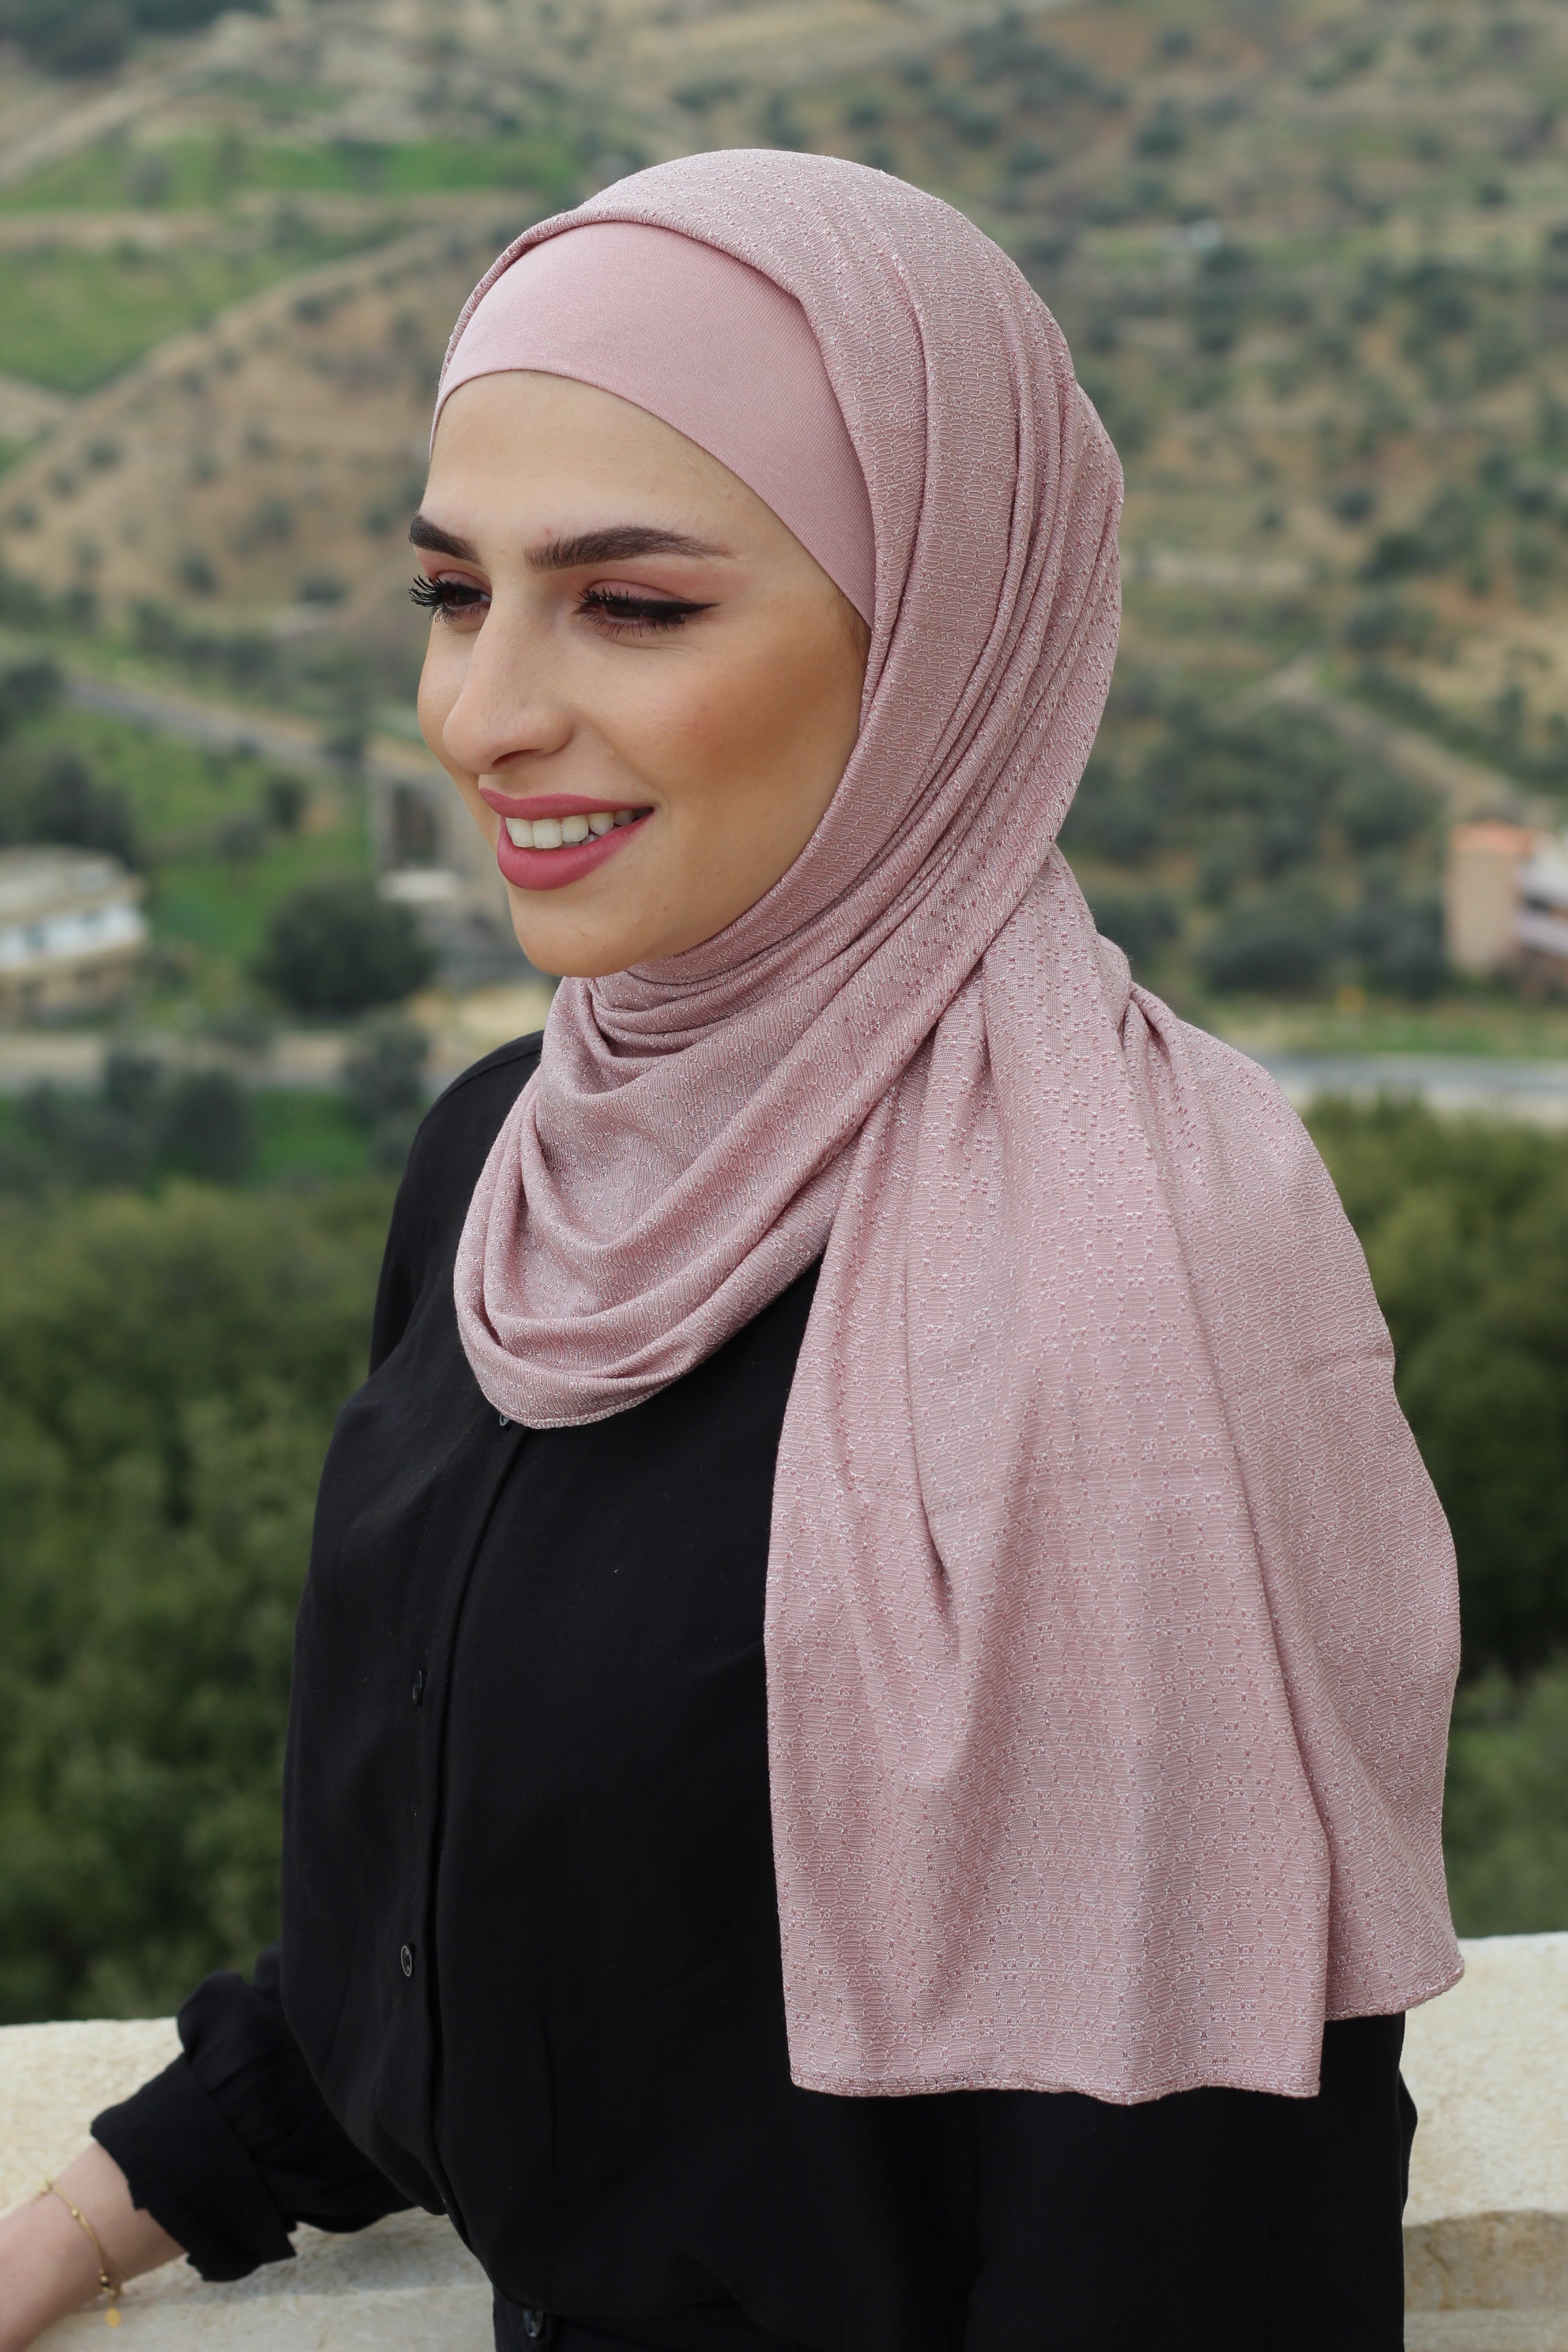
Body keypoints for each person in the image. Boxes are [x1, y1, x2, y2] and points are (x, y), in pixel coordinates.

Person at [0, 150, 1460, 2352]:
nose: (484, 712)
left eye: (636, 604)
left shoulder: (1137, 1281)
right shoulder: (513, 1158)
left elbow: (1199, 2212)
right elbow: (483, 1900)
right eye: (449, 590)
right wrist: (124, 2199)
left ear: (944, 639)